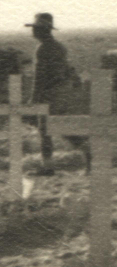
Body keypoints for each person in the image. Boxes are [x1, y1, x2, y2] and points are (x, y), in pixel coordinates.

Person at [25, 13, 70, 176]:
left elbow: (40, 76)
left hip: (48, 94)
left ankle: (48, 167)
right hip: (62, 92)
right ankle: (88, 156)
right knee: (66, 127)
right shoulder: (60, 47)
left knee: (44, 131)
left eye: (36, 28)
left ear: (43, 30)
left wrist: (33, 98)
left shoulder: (42, 49)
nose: (33, 32)